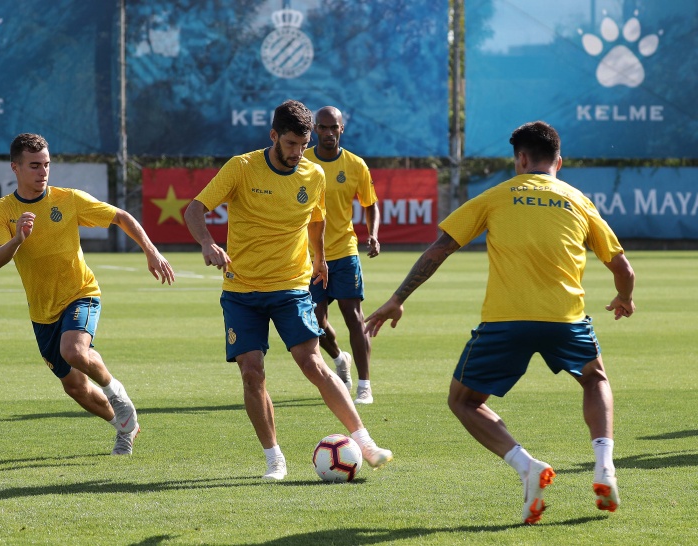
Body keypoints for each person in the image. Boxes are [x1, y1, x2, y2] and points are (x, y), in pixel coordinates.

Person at [364, 121, 635, 524]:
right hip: (566, 318)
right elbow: (622, 267)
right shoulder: (578, 200)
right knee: (594, 378)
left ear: (520, 159)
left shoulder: (496, 196)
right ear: (558, 162)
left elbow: (440, 249)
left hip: (505, 322)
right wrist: (624, 297)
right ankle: (605, 466)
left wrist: (397, 299)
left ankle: (527, 466)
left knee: (463, 401)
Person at [184, 99, 392, 480]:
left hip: (291, 285)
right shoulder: (241, 168)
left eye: (303, 143)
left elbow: (317, 220)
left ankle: (364, 441)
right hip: (241, 290)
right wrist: (206, 242)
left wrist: (320, 258)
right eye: (291, 143)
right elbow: (194, 210)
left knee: (312, 362)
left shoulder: (314, 175)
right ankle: (274, 458)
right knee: (252, 372)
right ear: (274, 136)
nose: (298, 152)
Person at [0, 133, 176, 456]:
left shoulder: (68, 199)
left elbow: (121, 216)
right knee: (74, 386)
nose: (43, 172)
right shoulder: (3, 210)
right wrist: (18, 238)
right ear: (15, 168)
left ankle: (117, 394)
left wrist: (151, 251)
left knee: (74, 351)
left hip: (80, 293)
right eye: (34, 166)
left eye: (46, 164)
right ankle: (124, 425)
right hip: (42, 311)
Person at [304, 106, 380, 404]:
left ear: (341, 129)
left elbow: (370, 204)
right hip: (309, 256)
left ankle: (364, 385)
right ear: (315, 130)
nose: (328, 132)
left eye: (333, 127)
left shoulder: (356, 165)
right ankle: (338, 358)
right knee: (315, 323)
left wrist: (372, 234)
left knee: (354, 316)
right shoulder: (302, 161)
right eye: (322, 127)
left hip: (345, 251)